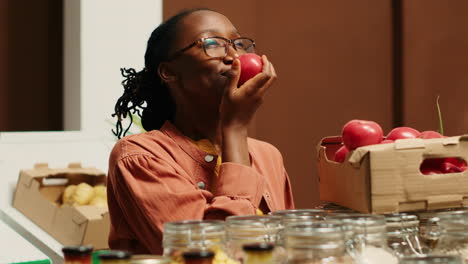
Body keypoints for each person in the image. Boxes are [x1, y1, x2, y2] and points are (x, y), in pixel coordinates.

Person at [107, 8, 295, 254]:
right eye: (213, 43)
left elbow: (290, 250)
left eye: (238, 43)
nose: (234, 56)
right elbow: (212, 255)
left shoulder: (267, 155)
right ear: (169, 72)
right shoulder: (140, 157)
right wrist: (235, 127)